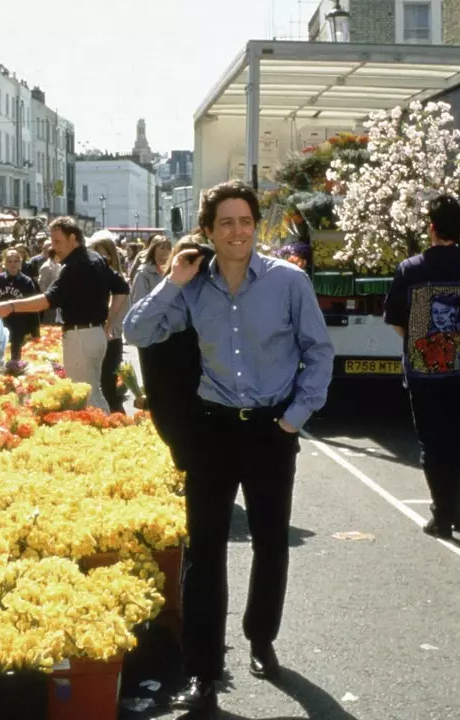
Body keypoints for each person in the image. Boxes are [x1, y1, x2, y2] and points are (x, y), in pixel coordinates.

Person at [124, 180, 334, 712]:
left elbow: (319, 352)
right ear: (209, 231)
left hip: (271, 433)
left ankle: (261, 639)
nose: (237, 232)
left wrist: (293, 420)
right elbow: (137, 330)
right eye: (225, 224)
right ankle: (203, 669)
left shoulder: (289, 283)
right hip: (213, 432)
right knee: (206, 550)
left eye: (245, 221)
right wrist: (173, 278)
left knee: (269, 543)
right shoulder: (193, 286)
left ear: (256, 226)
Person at [385, 195, 460, 540]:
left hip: (422, 369)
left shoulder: (411, 268)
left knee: (431, 442)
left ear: (431, 228)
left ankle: (441, 514)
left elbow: (397, 320)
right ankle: (456, 509)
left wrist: (419, 340)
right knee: (455, 436)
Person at [0, 217, 128, 411]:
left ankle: (103, 434)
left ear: (72, 238)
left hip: (81, 337)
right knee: (92, 392)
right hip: (93, 334)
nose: (54, 248)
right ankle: (101, 432)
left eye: (57, 241)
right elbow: (122, 288)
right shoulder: (95, 258)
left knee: (87, 397)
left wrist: (11, 306)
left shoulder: (75, 266)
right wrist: (108, 321)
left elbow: (47, 300)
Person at [136, 235, 211, 471]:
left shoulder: (215, 291)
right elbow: (137, 331)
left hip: (204, 383)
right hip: (172, 378)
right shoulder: (164, 290)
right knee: (180, 434)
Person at [87, 235, 131, 413]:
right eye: (95, 254)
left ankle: (116, 421)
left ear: (111, 256)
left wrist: (108, 322)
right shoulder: (90, 280)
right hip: (93, 336)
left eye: (103, 254)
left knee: (108, 387)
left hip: (111, 337)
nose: (99, 259)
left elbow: (117, 312)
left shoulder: (118, 280)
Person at [0, 248, 41, 361]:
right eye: (9, 261)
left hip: (18, 325)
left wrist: (35, 330)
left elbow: (33, 307)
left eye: (16, 261)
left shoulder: (26, 282)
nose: (13, 264)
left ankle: (14, 369)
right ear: (4, 263)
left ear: (20, 263)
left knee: (15, 358)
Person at [129, 235, 172, 308]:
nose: (166, 251)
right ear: (153, 249)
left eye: (168, 248)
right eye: (161, 248)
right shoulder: (144, 271)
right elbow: (138, 301)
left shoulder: (171, 270)